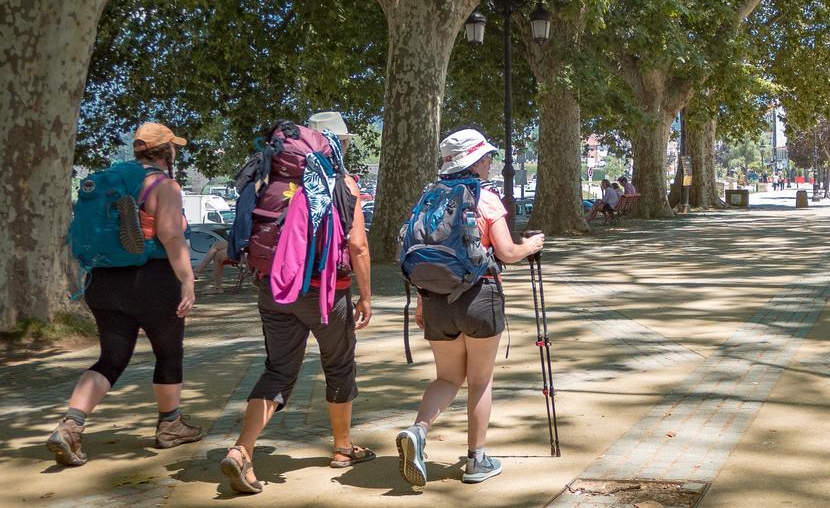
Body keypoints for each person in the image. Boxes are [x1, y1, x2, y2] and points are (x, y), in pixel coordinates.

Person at [220, 112, 374, 495]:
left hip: (273, 288)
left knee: (278, 370)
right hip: (325, 293)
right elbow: (357, 245)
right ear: (333, 144)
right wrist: (367, 295)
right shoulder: (342, 183)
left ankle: (242, 449)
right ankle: (341, 448)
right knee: (339, 364)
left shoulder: (269, 178)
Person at [396, 129, 545, 487]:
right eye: (486, 156)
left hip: (434, 300)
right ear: (474, 162)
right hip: (480, 296)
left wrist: (420, 302)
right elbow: (507, 252)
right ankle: (477, 460)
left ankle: (418, 431)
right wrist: (532, 245)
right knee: (480, 380)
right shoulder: (485, 198)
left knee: (447, 378)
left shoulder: (429, 197)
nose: (490, 161)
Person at [47, 122, 202, 467]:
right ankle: (170, 425)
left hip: (103, 281)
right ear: (167, 151)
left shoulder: (110, 180)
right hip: (153, 280)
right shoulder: (164, 185)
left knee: (111, 359)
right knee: (167, 353)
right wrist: (188, 281)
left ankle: (71, 424)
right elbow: (172, 237)